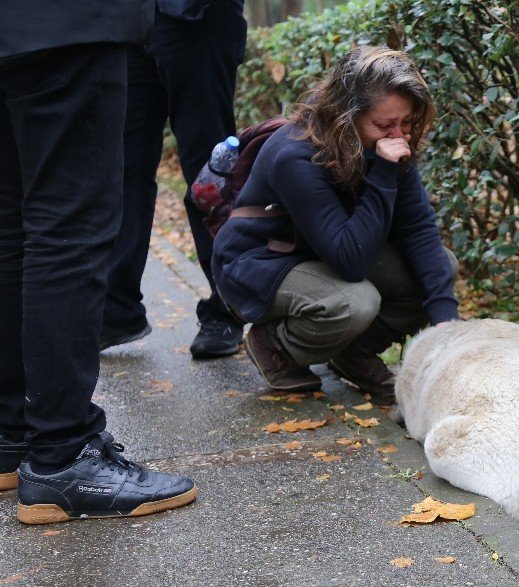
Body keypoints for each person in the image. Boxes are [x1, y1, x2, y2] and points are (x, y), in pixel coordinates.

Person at [0, 1, 197, 523]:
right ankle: (63, 456)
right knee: (70, 225)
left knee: (13, 225)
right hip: (67, 22)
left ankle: (11, 432)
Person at [212, 46, 459, 398]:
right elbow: (350, 261)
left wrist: (445, 326)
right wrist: (385, 172)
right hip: (260, 260)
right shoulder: (295, 155)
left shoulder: (388, 141)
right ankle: (276, 346)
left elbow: (418, 229)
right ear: (346, 116)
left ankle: (353, 355)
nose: (399, 136)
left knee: (440, 268)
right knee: (353, 302)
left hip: (324, 247)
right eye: (384, 125)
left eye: (406, 123)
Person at [101, 0, 248, 359]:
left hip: (200, 17)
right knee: (124, 171)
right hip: (132, 24)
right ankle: (117, 311)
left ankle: (229, 307)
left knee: (210, 171)